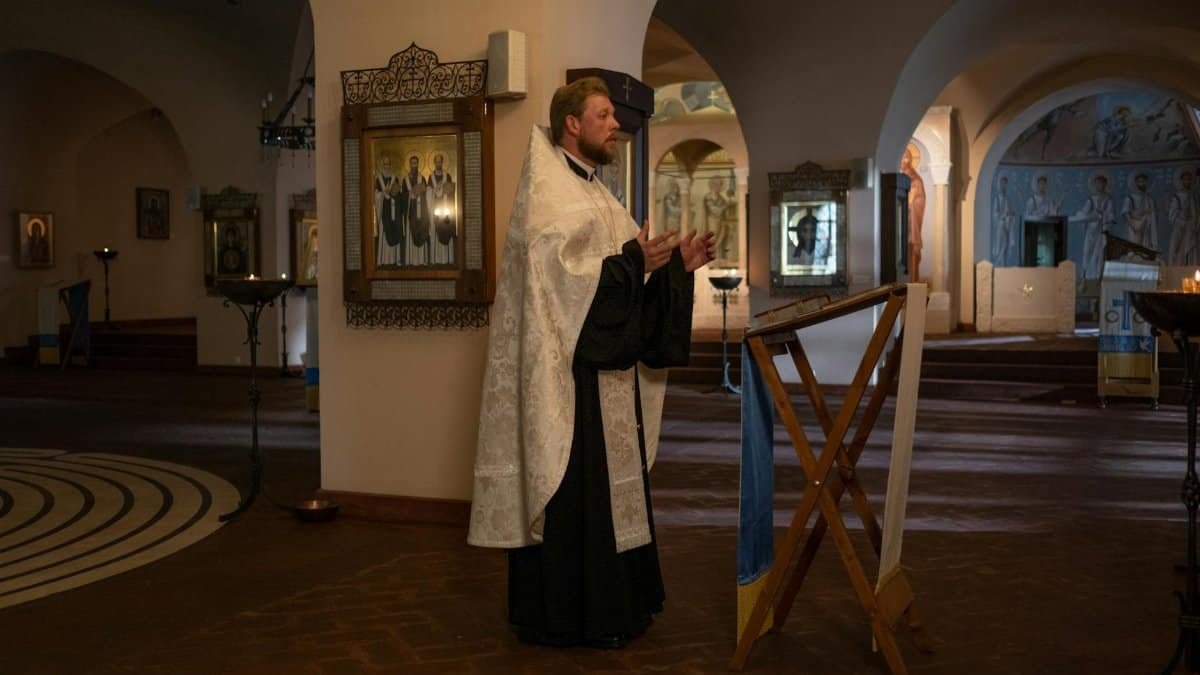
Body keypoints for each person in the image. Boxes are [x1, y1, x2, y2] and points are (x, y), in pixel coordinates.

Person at [468, 76, 715, 649]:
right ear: (572, 123)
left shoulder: (601, 196)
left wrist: (674, 268)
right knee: (578, 499)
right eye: (604, 115)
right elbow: (561, 286)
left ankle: (620, 606)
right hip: (569, 384)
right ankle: (572, 616)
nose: (616, 126)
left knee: (611, 498)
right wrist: (634, 260)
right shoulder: (549, 195)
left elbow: (624, 278)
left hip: (610, 376)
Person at [1071, 173, 1115, 280]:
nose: (1099, 186)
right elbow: (1084, 212)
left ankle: (1096, 277)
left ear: (1105, 185)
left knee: (1099, 254)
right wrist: (1079, 215)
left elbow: (1111, 214)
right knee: (1087, 252)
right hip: (1091, 231)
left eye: (1101, 184)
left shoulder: (1108, 199)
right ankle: (1086, 276)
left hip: (1101, 231)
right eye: (1097, 184)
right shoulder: (1091, 199)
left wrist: (1103, 217)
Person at [400, 155, 431, 265]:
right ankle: (410, 260)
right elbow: (402, 196)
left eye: (416, 163)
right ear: (409, 164)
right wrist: (410, 195)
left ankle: (422, 259)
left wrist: (423, 191)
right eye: (412, 163)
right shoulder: (405, 179)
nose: (414, 165)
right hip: (410, 212)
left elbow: (427, 194)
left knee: (421, 231)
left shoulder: (422, 178)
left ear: (418, 164)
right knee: (410, 232)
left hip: (421, 212)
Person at [427, 153, 456, 266]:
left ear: (442, 162)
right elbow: (428, 192)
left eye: (440, 162)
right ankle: (435, 259)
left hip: (446, 208)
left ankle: (447, 258)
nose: (438, 164)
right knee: (435, 231)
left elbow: (451, 191)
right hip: (435, 208)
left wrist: (446, 190)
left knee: (446, 229)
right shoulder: (431, 177)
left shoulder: (447, 176)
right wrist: (435, 190)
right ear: (434, 163)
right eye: (437, 162)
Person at [900, 146, 925, 281]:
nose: (901, 162)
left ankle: (913, 282)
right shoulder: (905, 178)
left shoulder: (915, 180)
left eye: (903, 158)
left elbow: (911, 203)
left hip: (911, 224)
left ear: (908, 160)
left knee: (911, 254)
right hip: (904, 223)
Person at [374, 154, 403, 267]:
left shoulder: (395, 177)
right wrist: (382, 194)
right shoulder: (379, 178)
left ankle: (396, 259)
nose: (387, 166)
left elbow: (398, 193)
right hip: (384, 209)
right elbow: (376, 194)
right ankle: (383, 259)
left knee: (395, 231)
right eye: (385, 164)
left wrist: (394, 193)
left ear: (390, 165)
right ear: (382, 165)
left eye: (388, 164)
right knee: (384, 232)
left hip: (394, 209)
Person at [1169, 168, 1200, 266]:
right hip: (1179, 224)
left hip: (1191, 225)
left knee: (1191, 247)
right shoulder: (1177, 196)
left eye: (1189, 179)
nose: (1187, 181)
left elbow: (1196, 212)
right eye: (1185, 179)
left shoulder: (1194, 196)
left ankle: (1191, 266)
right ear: (1181, 181)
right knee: (1177, 247)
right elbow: (1172, 212)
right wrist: (1181, 214)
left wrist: (1195, 221)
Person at [1121, 172, 1158, 252]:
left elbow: (1152, 216)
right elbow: (1125, 213)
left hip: (1145, 228)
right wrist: (1134, 225)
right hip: (1133, 228)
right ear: (1136, 183)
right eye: (1140, 181)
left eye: (1144, 181)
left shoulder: (1149, 199)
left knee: (1144, 250)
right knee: (1133, 250)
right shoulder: (1130, 198)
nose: (1142, 183)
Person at [992, 174, 1018, 265]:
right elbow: (995, 214)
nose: (1004, 186)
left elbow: (1010, 211)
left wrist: (1011, 215)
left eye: (1005, 184)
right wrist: (1002, 216)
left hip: (1007, 226)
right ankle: (999, 263)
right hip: (1000, 226)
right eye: (1002, 183)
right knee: (1001, 246)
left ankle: (1004, 264)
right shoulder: (997, 199)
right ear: (999, 184)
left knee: (1006, 246)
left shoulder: (1008, 199)